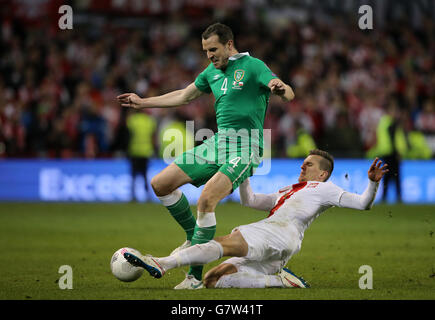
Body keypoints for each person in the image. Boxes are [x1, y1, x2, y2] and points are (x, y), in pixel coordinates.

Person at [117, 22, 295, 289]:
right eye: (205, 51)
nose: (210, 56)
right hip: (217, 143)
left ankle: (194, 277)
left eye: (213, 49)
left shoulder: (254, 66)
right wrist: (143, 102)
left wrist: (281, 89)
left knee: (206, 199)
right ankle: (193, 236)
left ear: (229, 45)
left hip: (245, 147)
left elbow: (288, 92)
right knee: (160, 184)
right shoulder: (211, 72)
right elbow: (184, 95)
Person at [122, 149, 388, 289]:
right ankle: (279, 280)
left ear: (323, 174)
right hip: (278, 245)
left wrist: (371, 184)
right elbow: (249, 200)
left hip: (280, 234)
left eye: (309, 164)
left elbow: (363, 203)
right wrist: (242, 169)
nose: (302, 166)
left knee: (224, 242)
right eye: (303, 162)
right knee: (213, 279)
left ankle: (161, 263)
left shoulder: (325, 189)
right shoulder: (287, 191)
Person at [126, 109, 157, 202]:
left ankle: (133, 195)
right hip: (146, 151)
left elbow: (128, 134)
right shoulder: (150, 121)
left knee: (133, 175)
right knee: (144, 175)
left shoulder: (132, 120)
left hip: (134, 150)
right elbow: (153, 137)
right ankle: (147, 195)